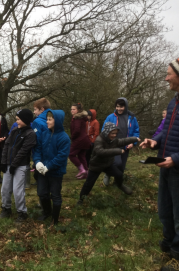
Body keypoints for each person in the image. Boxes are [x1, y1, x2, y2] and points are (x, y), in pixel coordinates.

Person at [140, 59, 179, 271]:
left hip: (176, 166)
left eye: (169, 74)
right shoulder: (173, 101)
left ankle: (177, 254)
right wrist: (156, 141)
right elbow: (168, 131)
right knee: (164, 210)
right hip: (165, 165)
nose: (166, 78)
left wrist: (177, 159)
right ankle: (168, 246)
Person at [77, 122, 139, 206]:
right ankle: (81, 199)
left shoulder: (114, 140)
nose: (114, 135)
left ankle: (120, 185)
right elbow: (100, 152)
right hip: (96, 165)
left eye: (115, 133)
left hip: (107, 164)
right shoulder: (99, 140)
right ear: (107, 132)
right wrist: (117, 151)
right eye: (112, 133)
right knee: (89, 184)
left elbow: (123, 141)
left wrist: (134, 139)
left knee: (119, 174)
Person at [0, 109, 36, 222]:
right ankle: (6, 208)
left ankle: (22, 212)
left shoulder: (30, 134)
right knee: (5, 189)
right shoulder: (14, 130)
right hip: (9, 165)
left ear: (25, 120)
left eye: (19, 119)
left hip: (20, 166)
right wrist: (3, 162)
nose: (17, 121)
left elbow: (23, 151)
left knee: (17, 190)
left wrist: (14, 165)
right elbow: (6, 146)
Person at [34, 110, 70, 225]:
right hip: (42, 171)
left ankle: (55, 220)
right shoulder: (44, 134)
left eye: (50, 120)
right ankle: (47, 212)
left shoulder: (64, 138)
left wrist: (48, 166)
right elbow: (37, 149)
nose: (47, 122)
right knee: (42, 193)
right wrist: (37, 161)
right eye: (47, 119)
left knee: (55, 195)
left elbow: (61, 156)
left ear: (57, 121)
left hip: (55, 172)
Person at [102, 97, 139, 186]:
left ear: (125, 106)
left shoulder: (132, 117)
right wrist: (108, 140)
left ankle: (117, 183)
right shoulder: (110, 117)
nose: (119, 109)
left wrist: (132, 142)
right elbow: (104, 129)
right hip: (114, 144)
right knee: (117, 163)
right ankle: (108, 173)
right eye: (117, 106)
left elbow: (136, 131)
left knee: (122, 166)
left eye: (121, 107)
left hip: (126, 145)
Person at [32, 98, 52, 189]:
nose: (34, 112)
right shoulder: (53, 117)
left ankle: (42, 201)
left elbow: (36, 140)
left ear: (42, 109)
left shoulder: (37, 122)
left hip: (41, 153)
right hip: (52, 152)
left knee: (40, 177)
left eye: (35, 109)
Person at [69, 103, 91, 179]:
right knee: (81, 156)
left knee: (71, 154)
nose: (72, 110)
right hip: (84, 140)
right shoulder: (80, 118)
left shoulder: (77, 118)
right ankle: (86, 173)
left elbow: (77, 130)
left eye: (74, 109)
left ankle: (81, 169)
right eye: (71, 109)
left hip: (79, 140)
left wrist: (72, 137)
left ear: (78, 110)